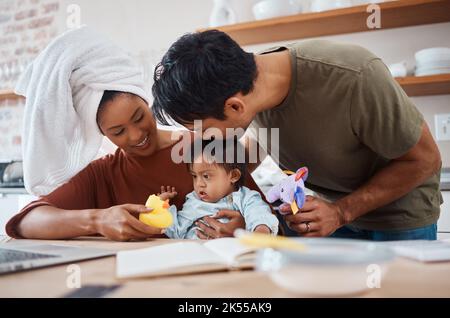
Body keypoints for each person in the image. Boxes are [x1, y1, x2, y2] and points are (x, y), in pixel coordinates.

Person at [151, 30, 442, 241]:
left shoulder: (353, 77)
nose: (201, 137)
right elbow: (265, 139)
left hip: (399, 221)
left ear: (235, 107)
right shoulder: (248, 90)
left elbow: (425, 160)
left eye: (200, 128)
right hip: (328, 220)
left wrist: (341, 212)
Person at [5, 28, 262, 241]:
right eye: (118, 131)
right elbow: (27, 221)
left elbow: (266, 215)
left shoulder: (205, 146)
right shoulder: (103, 174)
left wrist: (243, 227)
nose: (137, 134)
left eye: (139, 116)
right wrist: (97, 220)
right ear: (101, 133)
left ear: (146, 100)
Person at [159, 139, 278, 239]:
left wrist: (261, 230)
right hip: (195, 257)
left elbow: (259, 214)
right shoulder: (193, 201)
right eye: (194, 176)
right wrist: (162, 207)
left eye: (206, 176)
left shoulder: (246, 198)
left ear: (233, 176)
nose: (199, 184)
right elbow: (177, 231)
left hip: (233, 256)